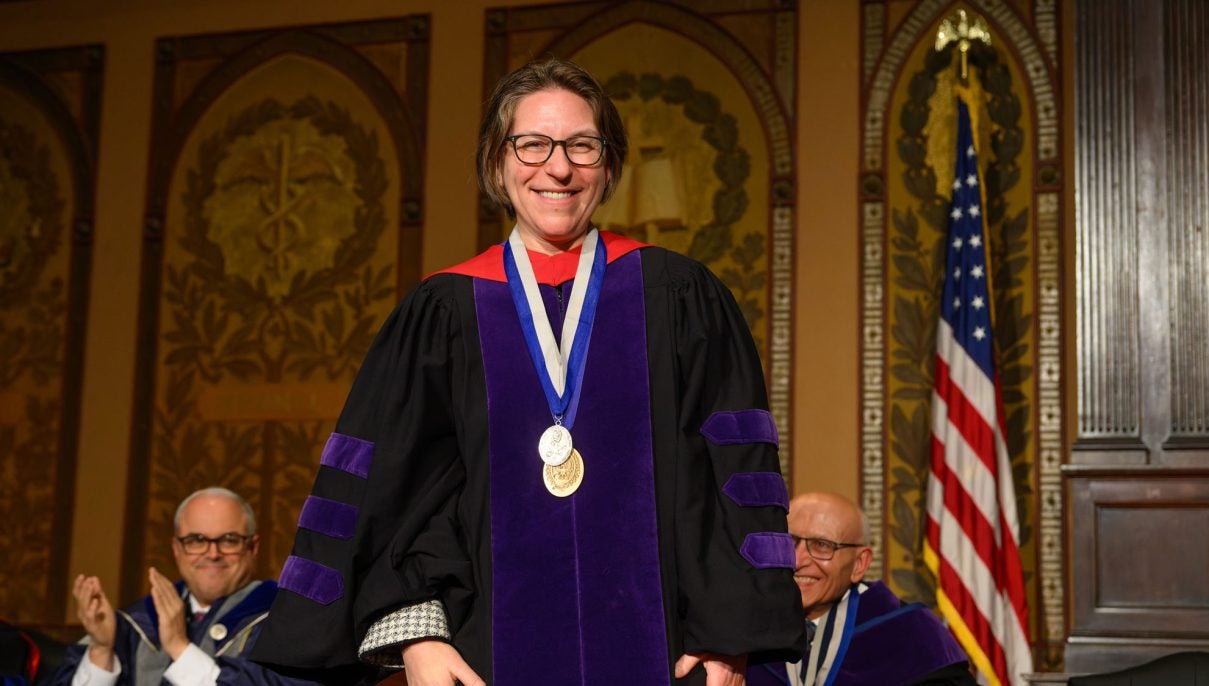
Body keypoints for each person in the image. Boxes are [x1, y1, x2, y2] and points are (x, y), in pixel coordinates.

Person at [250, 58, 805, 685]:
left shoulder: (679, 297)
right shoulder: (443, 313)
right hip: (483, 659)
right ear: (496, 162)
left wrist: (727, 638)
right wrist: (419, 637)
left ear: (610, 163)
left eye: (582, 146)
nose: (559, 167)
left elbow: (733, 479)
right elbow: (398, 494)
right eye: (533, 144)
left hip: (669, 657)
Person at [54, 487, 309, 686]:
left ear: (253, 548)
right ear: (177, 549)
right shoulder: (136, 623)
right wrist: (101, 649)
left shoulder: (284, 623)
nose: (212, 554)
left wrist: (179, 646)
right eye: (197, 540)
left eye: (229, 540)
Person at [746, 492, 976, 686]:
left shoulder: (911, 633)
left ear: (860, 564)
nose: (797, 560)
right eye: (788, 542)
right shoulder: (739, 629)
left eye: (822, 545)